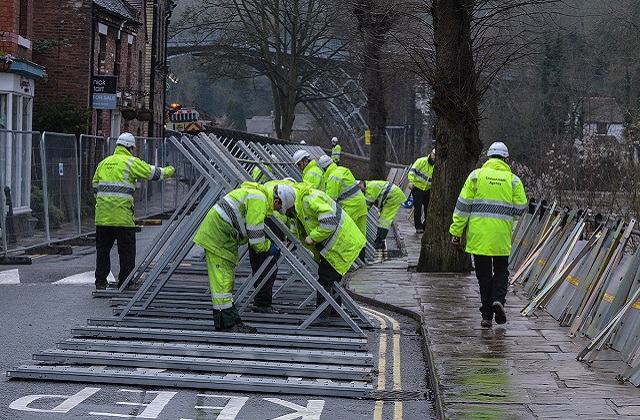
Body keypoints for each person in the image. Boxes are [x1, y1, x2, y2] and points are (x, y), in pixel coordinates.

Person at [449, 142, 527, 329]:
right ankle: (498, 300)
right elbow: (521, 207)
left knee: (483, 274)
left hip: (479, 234)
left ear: (488, 157)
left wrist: (456, 232)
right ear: (506, 159)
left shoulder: (475, 176)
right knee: (501, 270)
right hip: (501, 234)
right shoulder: (513, 180)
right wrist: (508, 216)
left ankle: (486, 317)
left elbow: (462, 206)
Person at [193, 182, 282, 333]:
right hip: (219, 237)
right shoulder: (260, 200)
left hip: (220, 235)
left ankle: (229, 321)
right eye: (281, 208)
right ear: (276, 201)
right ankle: (227, 323)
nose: (281, 211)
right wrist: (268, 247)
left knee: (224, 282)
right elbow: (255, 239)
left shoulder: (258, 196)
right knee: (222, 283)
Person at [92, 132, 175, 291]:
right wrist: (171, 170)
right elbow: (154, 174)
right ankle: (126, 282)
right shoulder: (130, 162)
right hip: (122, 217)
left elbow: (95, 187)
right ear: (130, 147)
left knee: (103, 250)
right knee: (127, 250)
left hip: (102, 216)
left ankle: (100, 281)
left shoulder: (104, 163)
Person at [280, 182, 366, 326]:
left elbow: (329, 223)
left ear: (287, 203)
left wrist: (313, 237)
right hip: (339, 244)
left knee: (325, 279)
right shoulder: (298, 206)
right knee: (332, 280)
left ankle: (322, 316)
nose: (287, 213)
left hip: (341, 244)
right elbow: (300, 228)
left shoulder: (309, 200)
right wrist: (292, 241)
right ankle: (334, 311)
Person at [317, 155, 367, 239]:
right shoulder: (343, 169)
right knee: (361, 236)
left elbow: (330, 202)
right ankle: (363, 252)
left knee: (350, 236)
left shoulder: (332, 178)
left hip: (351, 208)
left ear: (324, 169)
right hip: (361, 204)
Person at [359, 180, 406, 249]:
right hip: (394, 195)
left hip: (394, 197)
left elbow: (366, 206)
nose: (360, 190)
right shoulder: (370, 187)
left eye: (360, 187)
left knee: (384, 219)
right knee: (383, 219)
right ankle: (380, 241)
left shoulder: (370, 188)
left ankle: (380, 241)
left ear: (362, 183)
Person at [408, 148, 436, 234]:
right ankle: (418, 226)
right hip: (417, 187)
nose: (435, 157)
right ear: (431, 153)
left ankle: (425, 225)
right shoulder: (421, 161)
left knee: (428, 208)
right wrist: (411, 182)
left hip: (427, 188)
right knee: (418, 206)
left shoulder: (437, 167)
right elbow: (412, 172)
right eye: (434, 155)